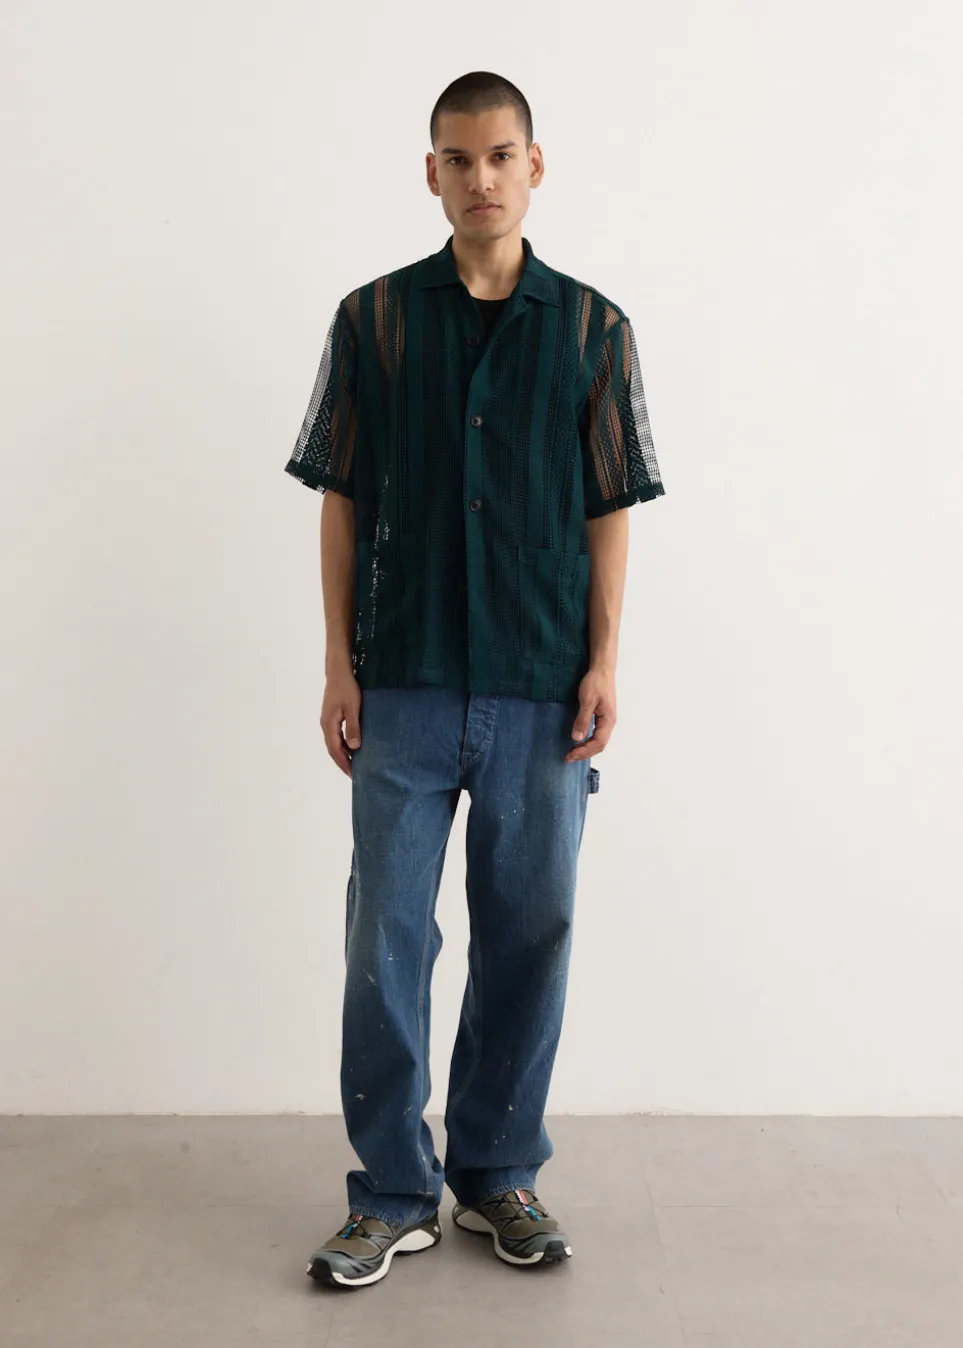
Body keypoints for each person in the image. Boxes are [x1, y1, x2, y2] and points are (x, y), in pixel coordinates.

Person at [284, 70, 665, 1289]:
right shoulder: (375, 320)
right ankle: (392, 1191)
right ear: (431, 172)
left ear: (534, 166)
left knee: (529, 936)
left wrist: (604, 659)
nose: (481, 178)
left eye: (501, 156)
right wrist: (338, 660)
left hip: (541, 680)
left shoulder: (595, 329)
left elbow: (609, 505)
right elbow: (341, 495)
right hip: (402, 676)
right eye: (459, 158)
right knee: (385, 937)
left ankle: (498, 1171)